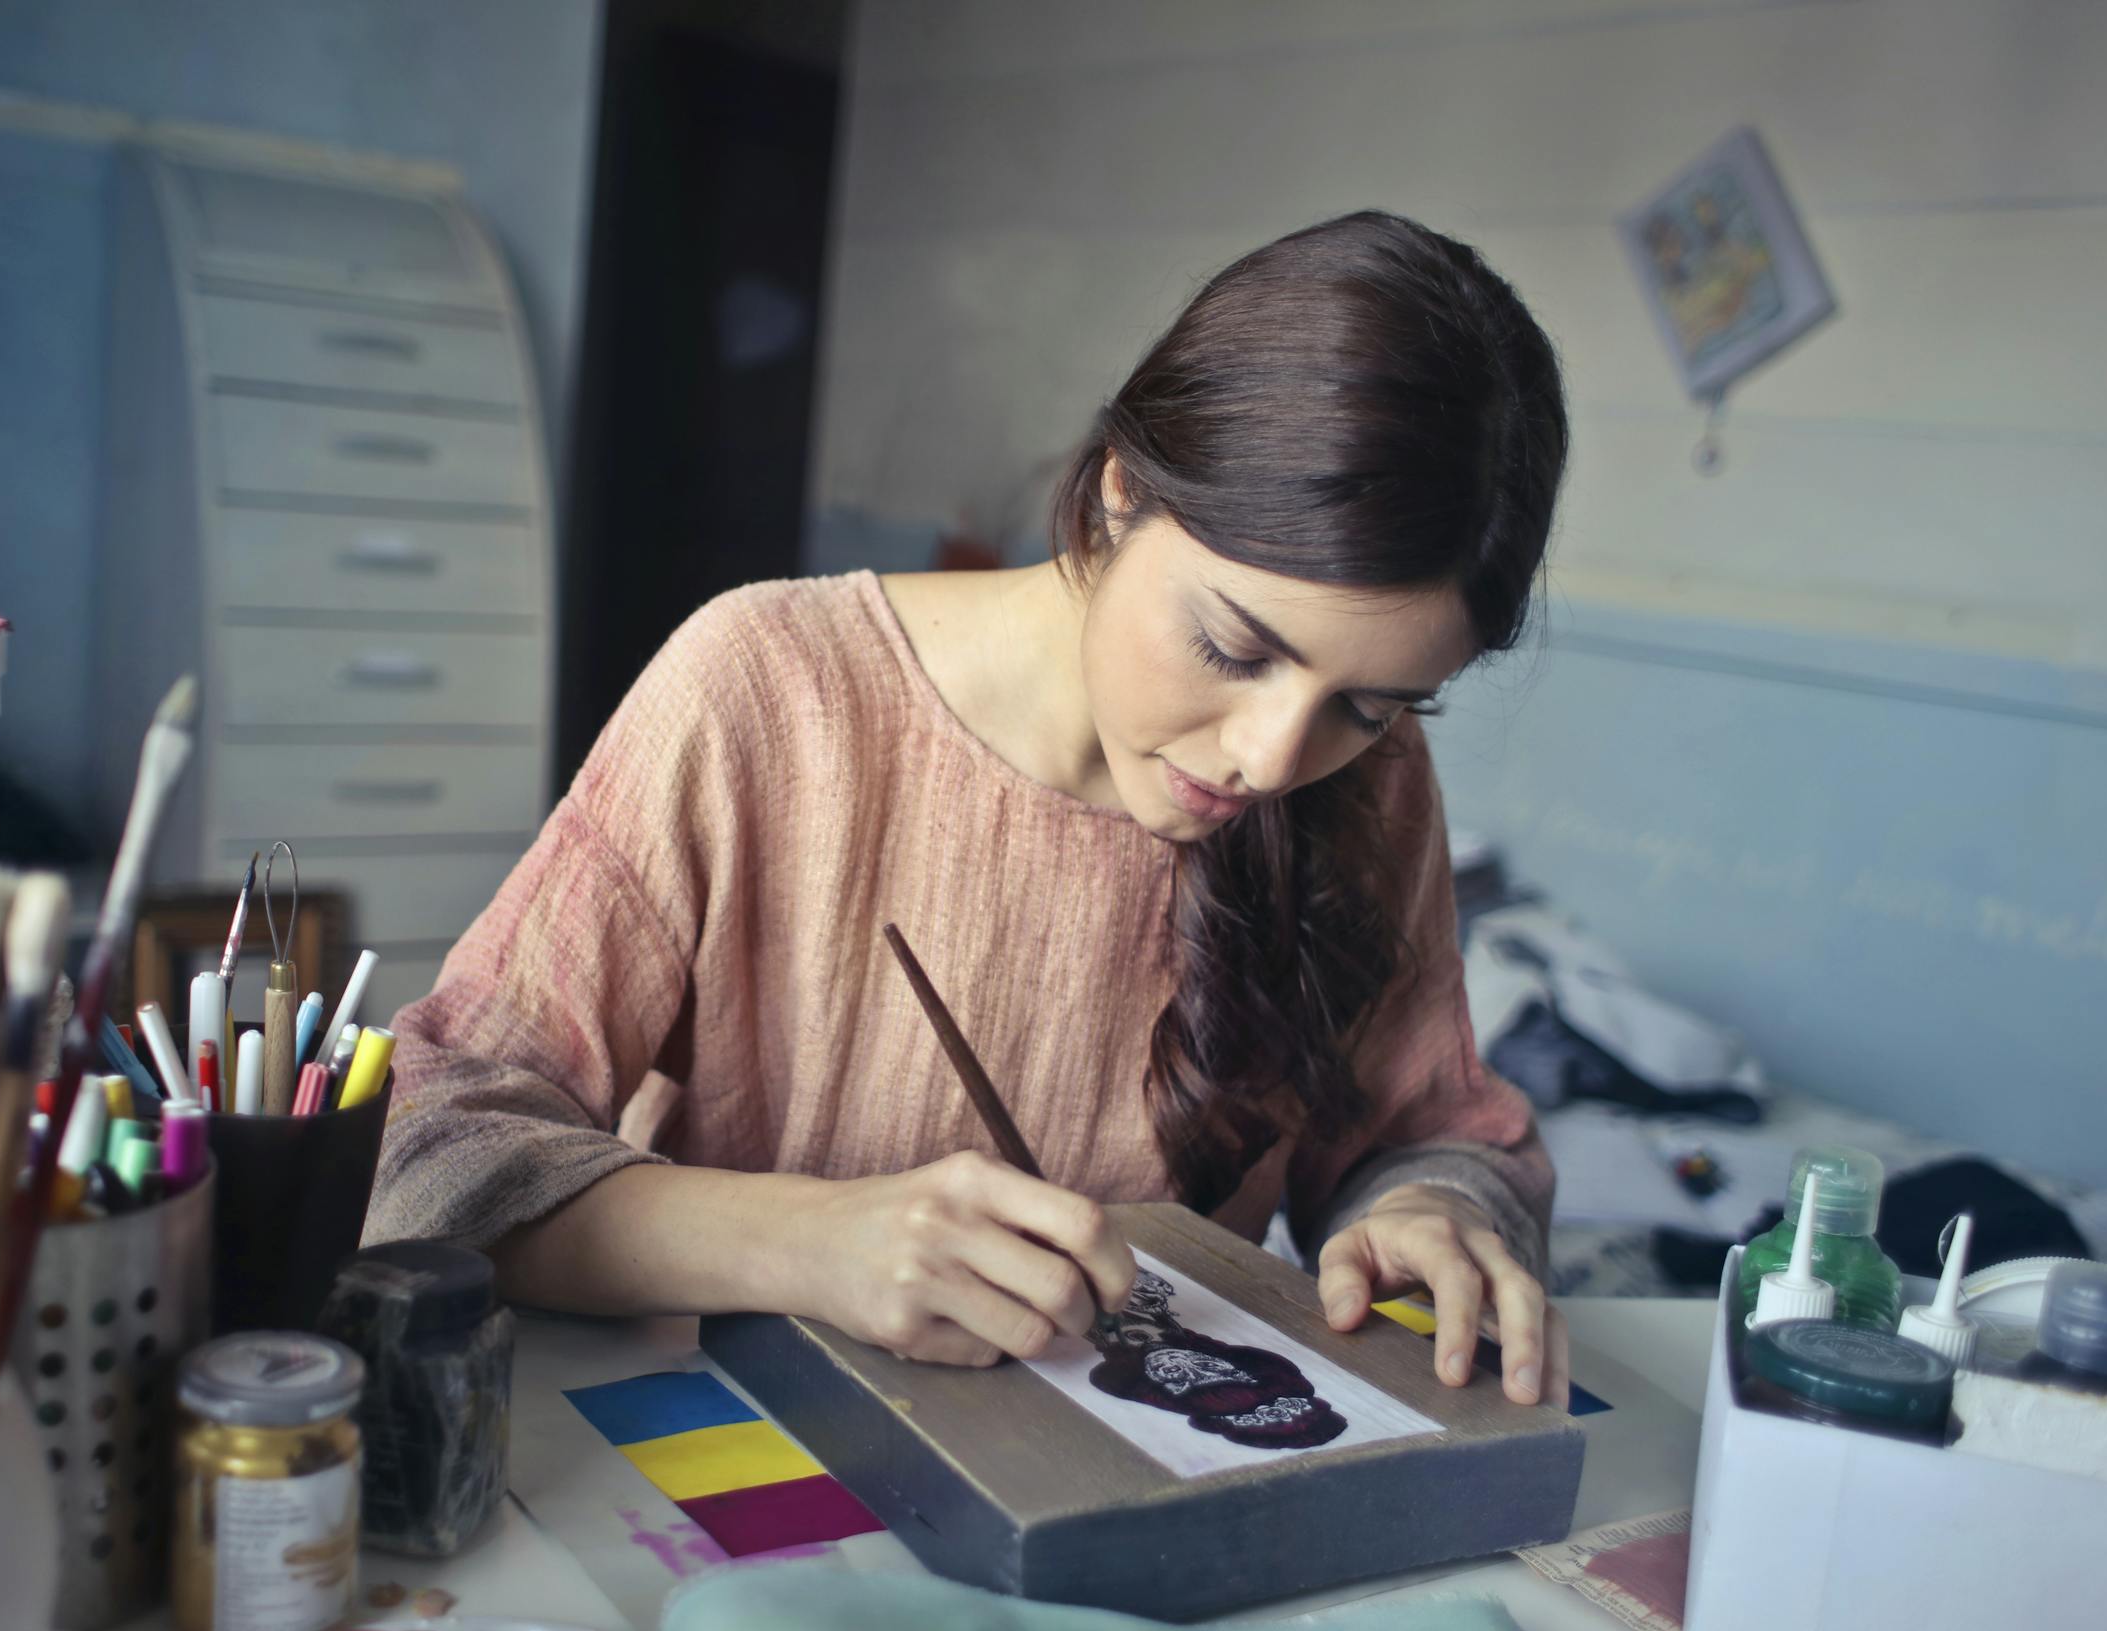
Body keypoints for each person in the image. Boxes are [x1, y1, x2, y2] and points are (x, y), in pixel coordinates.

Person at [371, 210, 1573, 1406]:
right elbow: (429, 1147)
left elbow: (1431, 1130)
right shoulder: (767, 689)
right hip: (726, 1459)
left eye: (1367, 704)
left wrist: (1432, 1207)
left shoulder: (1368, 779)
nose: (1271, 757)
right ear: (1115, 495)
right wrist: (807, 1243)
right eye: (1229, 644)